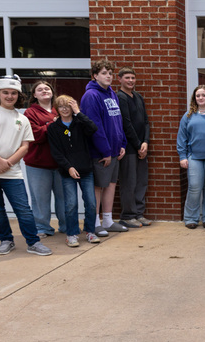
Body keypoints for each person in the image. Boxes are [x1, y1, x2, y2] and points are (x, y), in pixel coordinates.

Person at [0, 74, 52, 256]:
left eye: (13, 93)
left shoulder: (22, 119)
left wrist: (7, 163)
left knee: (23, 209)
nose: (9, 96)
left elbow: (25, 146)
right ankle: (6, 240)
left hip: (11, 172)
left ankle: (33, 242)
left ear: (19, 95)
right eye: (5, 92)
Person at [79, 59, 127, 237]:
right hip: (100, 153)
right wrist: (105, 151)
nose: (108, 76)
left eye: (110, 73)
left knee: (111, 185)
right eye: (104, 73)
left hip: (115, 151)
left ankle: (108, 220)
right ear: (95, 75)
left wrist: (122, 144)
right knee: (98, 186)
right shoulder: (91, 96)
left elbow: (118, 121)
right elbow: (94, 127)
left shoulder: (111, 94)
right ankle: (95, 222)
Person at [46, 95, 101, 247]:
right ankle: (71, 234)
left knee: (90, 202)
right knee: (70, 204)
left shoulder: (80, 123)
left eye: (68, 106)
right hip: (67, 171)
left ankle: (90, 232)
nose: (65, 109)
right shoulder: (53, 128)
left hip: (86, 169)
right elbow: (56, 152)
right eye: (61, 106)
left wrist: (78, 112)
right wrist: (68, 167)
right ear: (57, 109)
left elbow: (93, 128)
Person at [23, 80, 66, 237]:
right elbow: (35, 135)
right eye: (39, 89)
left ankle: (66, 226)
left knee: (64, 198)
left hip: (60, 163)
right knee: (40, 199)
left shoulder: (60, 110)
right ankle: (42, 228)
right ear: (34, 95)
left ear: (52, 92)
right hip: (38, 164)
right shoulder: (30, 113)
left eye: (46, 88)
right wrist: (52, 124)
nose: (44, 91)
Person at [177, 85, 205, 229]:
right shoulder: (188, 115)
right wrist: (183, 156)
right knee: (194, 187)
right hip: (193, 157)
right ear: (194, 98)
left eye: (203, 95)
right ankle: (190, 218)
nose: (201, 98)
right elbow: (181, 137)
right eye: (198, 96)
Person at [116, 67, 151, 228]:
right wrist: (138, 145)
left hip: (141, 148)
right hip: (129, 148)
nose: (131, 81)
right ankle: (128, 215)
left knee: (141, 182)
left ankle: (138, 213)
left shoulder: (138, 97)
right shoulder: (120, 97)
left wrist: (145, 142)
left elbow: (145, 121)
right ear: (120, 79)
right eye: (127, 78)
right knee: (129, 183)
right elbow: (126, 124)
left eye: (133, 78)